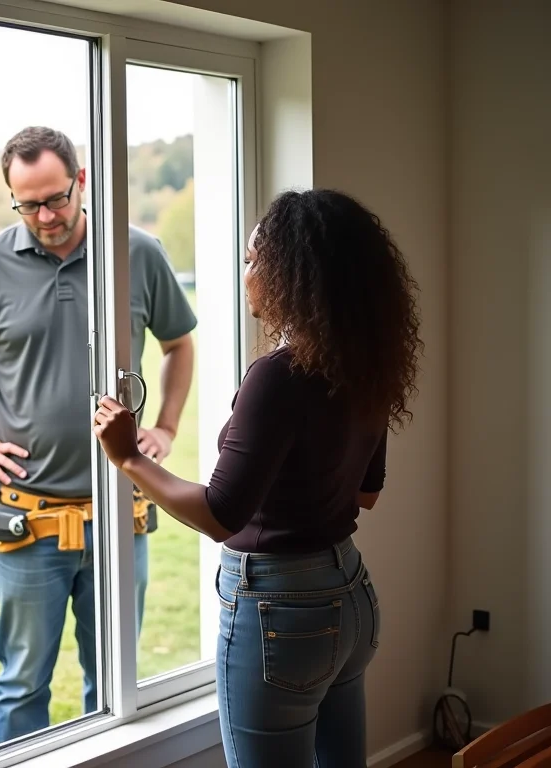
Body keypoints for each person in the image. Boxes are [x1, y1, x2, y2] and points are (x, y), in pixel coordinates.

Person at [93, 188, 423, 768]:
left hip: (280, 614)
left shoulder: (278, 375)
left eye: (253, 260)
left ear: (294, 272)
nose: (245, 273)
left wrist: (129, 458)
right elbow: (367, 493)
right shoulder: (364, 363)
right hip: (350, 598)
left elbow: (223, 514)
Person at [0, 126, 197, 743]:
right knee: (23, 684)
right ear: (11, 196)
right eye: (27, 204)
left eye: (54, 198)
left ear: (81, 182)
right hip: (29, 521)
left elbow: (179, 344)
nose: (45, 216)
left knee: (115, 685)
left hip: (118, 516)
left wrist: (165, 426)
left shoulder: (135, 253)